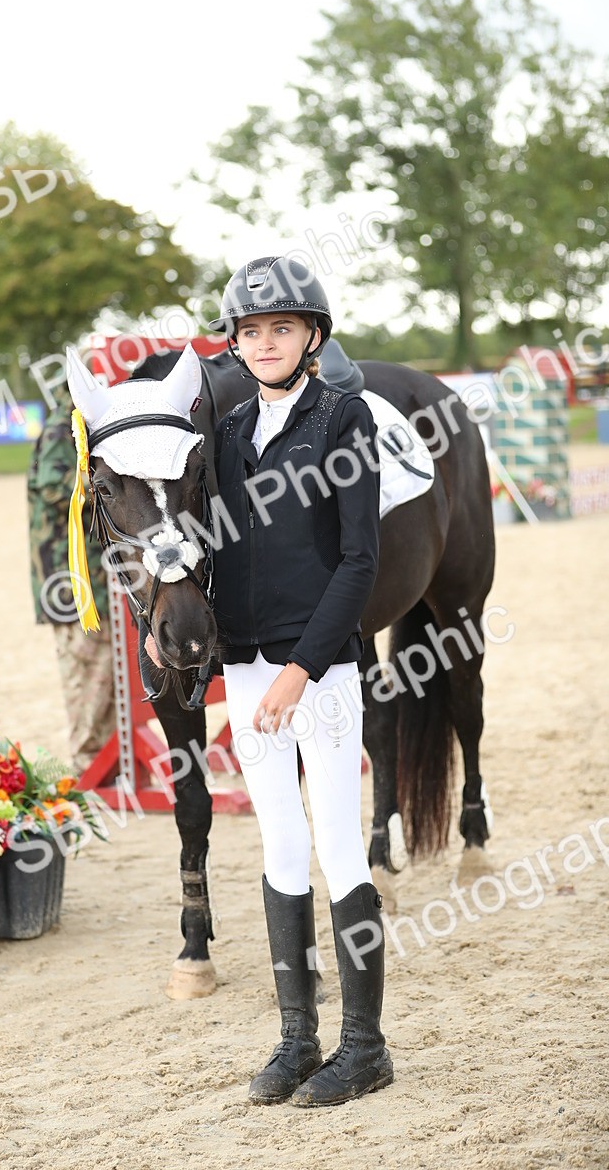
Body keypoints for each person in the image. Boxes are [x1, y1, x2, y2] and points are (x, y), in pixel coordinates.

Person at [208, 255, 393, 1108]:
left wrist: (301, 668)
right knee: (278, 844)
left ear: (312, 335)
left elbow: (358, 563)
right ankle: (296, 1039)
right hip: (245, 668)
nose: (266, 342)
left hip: (317, 672)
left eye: (282, 327)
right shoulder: (228, 433)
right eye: (251, 331)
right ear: (237, 345)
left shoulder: (343, 417)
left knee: (337, 844)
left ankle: (364, 1047)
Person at [27, 380, 116, 777]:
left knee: (107, 671)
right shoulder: (64, 426)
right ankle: (89, 765)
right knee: (86, 671)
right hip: (71, 577)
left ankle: (110, 763)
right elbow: (53, 489)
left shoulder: (79, 420)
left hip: (93, 573)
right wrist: (112, 481)